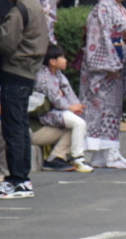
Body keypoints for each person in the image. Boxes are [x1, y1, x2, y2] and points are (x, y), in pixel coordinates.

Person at [0, 0, 51, 199]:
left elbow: (3, 44)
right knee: (20, 126)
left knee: (13, 128)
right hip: (28, 72)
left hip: (15, 72)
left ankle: (17, 179)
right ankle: (21, 177)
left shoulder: (18, 10)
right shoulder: (34, 6)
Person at [81, 0, 126, 169]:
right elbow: (101, 37)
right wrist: (111, 64)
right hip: (104, 67)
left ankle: (107, 153)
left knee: (112, 108)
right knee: (100, 107)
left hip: (117, 64)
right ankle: (103, 154)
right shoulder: (103, 7)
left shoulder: (119, 7)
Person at [33, 44, 92, 172]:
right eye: (62, 57)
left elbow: (68, 92)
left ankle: (56, 158)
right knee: (79, 123)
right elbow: (55, 98)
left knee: (79, 122)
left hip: (60, 111)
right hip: (48, 114)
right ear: (52, 61)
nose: (65, 60)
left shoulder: (58, 74)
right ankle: (77, 157)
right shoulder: (43, 76)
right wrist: (70, 107)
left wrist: (75, 106)